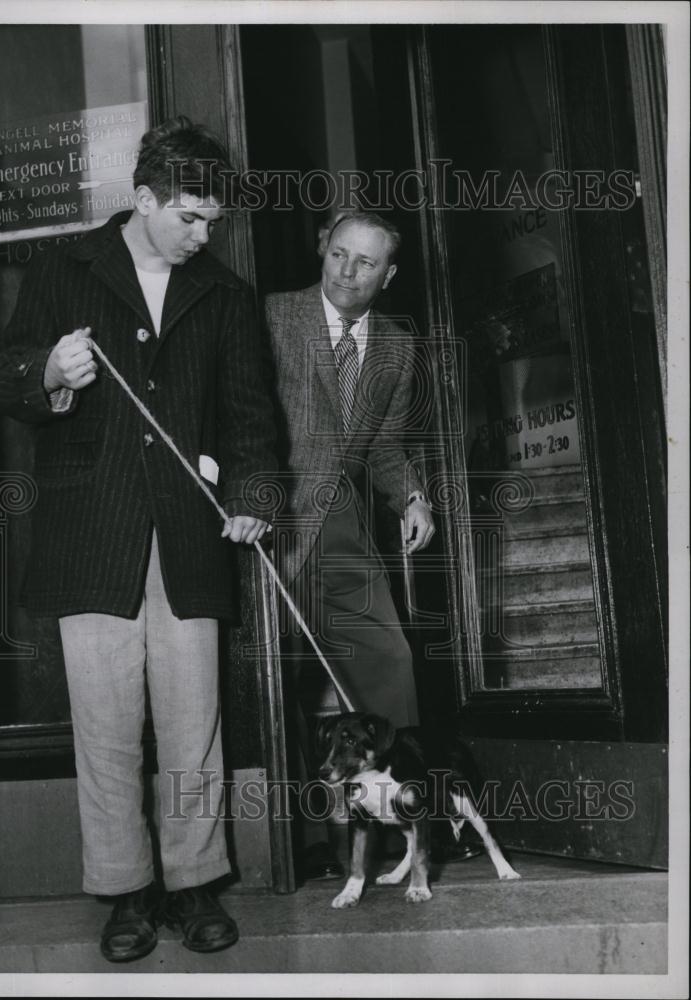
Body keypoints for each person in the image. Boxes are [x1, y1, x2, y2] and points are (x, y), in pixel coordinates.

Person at [0, 117, 276, 961]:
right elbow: (3, 376)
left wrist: (254, 495)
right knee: (106, 726)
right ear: (142, 199)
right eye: (187, 216)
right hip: (91, 531)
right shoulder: (61, 268)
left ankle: (193, 886)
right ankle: (124, 893)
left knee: (194, 723)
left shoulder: (225, 295)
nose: (202, 233)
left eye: (212, 220)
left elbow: (252, 418)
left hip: (189, 534)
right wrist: (47, 372)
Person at [264, 210, 437, 880]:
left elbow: (385, 446)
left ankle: (397, 820)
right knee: (271, 679)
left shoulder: (395, 344)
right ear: (322, 250)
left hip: (343, 530)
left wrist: (411, 497)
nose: (345, 271)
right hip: (273, 523)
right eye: (337, 254)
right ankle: (300, 840)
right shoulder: (272, 315)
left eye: (364, 263)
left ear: (387, 275)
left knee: (388, 664)